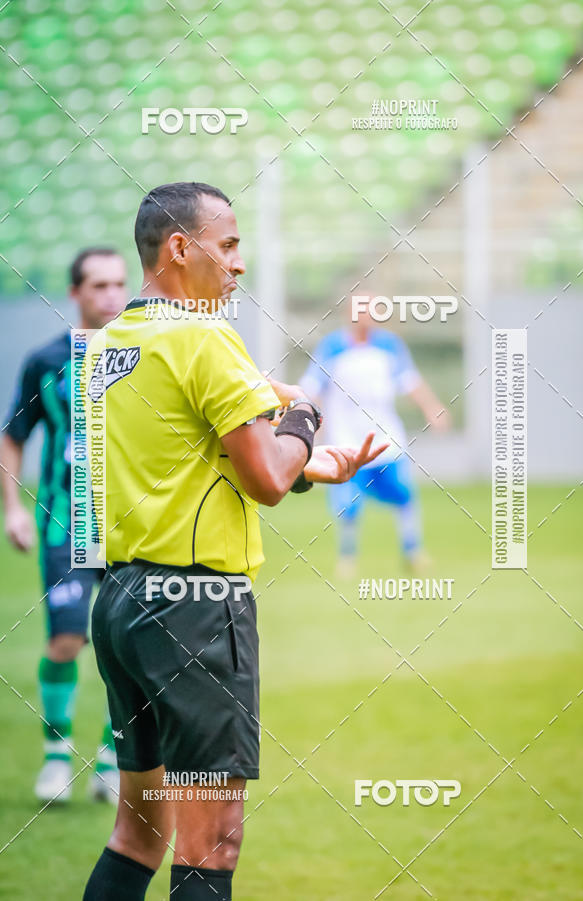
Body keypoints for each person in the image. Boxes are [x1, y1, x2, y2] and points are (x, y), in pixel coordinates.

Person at [81, 181, 386, 901]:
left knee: (138, 832)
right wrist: (306, 416)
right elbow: (263, 479)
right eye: (229, 244)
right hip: (196, 607)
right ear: (181, 247)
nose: (238, 263)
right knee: (210, 839)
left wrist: (305, 461)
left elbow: (195, 453)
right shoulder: (205, 335)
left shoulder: (109, 346)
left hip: (122, 603)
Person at [1, 248, 128, 803]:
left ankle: (111, 758)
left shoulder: (142, 356)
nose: (111, 295)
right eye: (98, 285)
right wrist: (13, 506)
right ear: (75, 293)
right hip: (65, 523)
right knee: (67, 639)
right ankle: (57, 759)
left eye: (119, 284)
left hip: (134, 528)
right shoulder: (46, 360)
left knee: (129, 648)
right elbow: (13, 436)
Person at [300, 298, 450, 575]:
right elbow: (311, 386)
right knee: (347, 504)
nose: (367, 316)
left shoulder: (390, 346)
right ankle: (347, 559)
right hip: (346, 443)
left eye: (372, 309)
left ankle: (413, 551)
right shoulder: (332, 347)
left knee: (404, 495)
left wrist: (433, 408)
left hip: (386, 441)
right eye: (361, 310)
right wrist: (312, 422)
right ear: (349, 314)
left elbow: (411, 381)